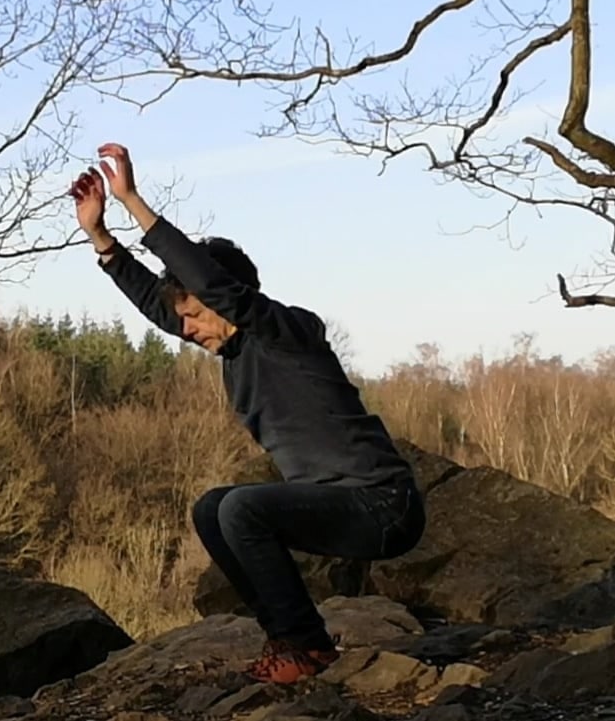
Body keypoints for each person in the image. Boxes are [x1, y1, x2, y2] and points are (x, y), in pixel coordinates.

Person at [70, 143, 426, 685]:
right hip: (337, 504)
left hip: (383, 506)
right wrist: (100, 238)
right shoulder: (233, 352)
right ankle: (288, 638)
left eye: (193, 315)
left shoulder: (287, 332)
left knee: (241, 509)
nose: (186, 330)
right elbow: (158, 302)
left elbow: (213, 286)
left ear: (225, 299)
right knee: (212, 508)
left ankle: (309, 648)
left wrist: (133, 202)